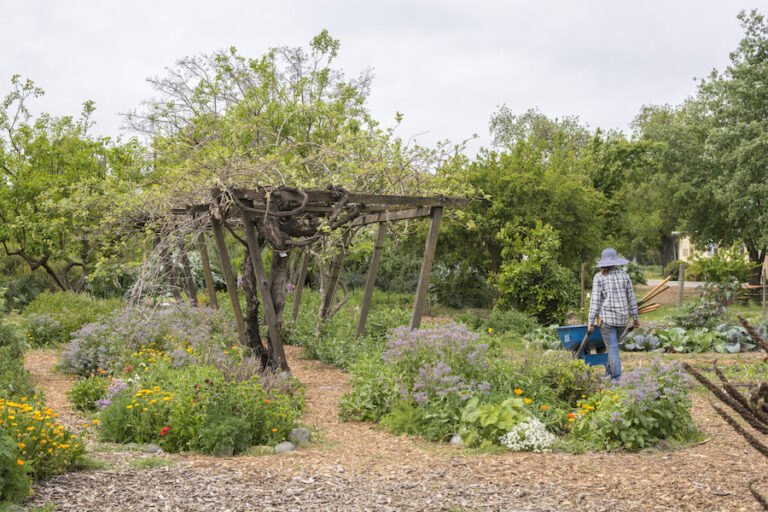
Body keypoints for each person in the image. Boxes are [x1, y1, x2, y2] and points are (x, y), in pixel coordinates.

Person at [587, 248, 640, 380]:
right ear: (615, 262)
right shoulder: (624, 275)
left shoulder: (599, 277)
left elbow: (595, 301)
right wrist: (636, 317)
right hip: (622, 319)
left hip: (608, 320)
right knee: (614, 347)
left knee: (612, 349)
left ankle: (616, 379)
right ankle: (609, 375)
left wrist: (590, 321)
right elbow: (631, 298)